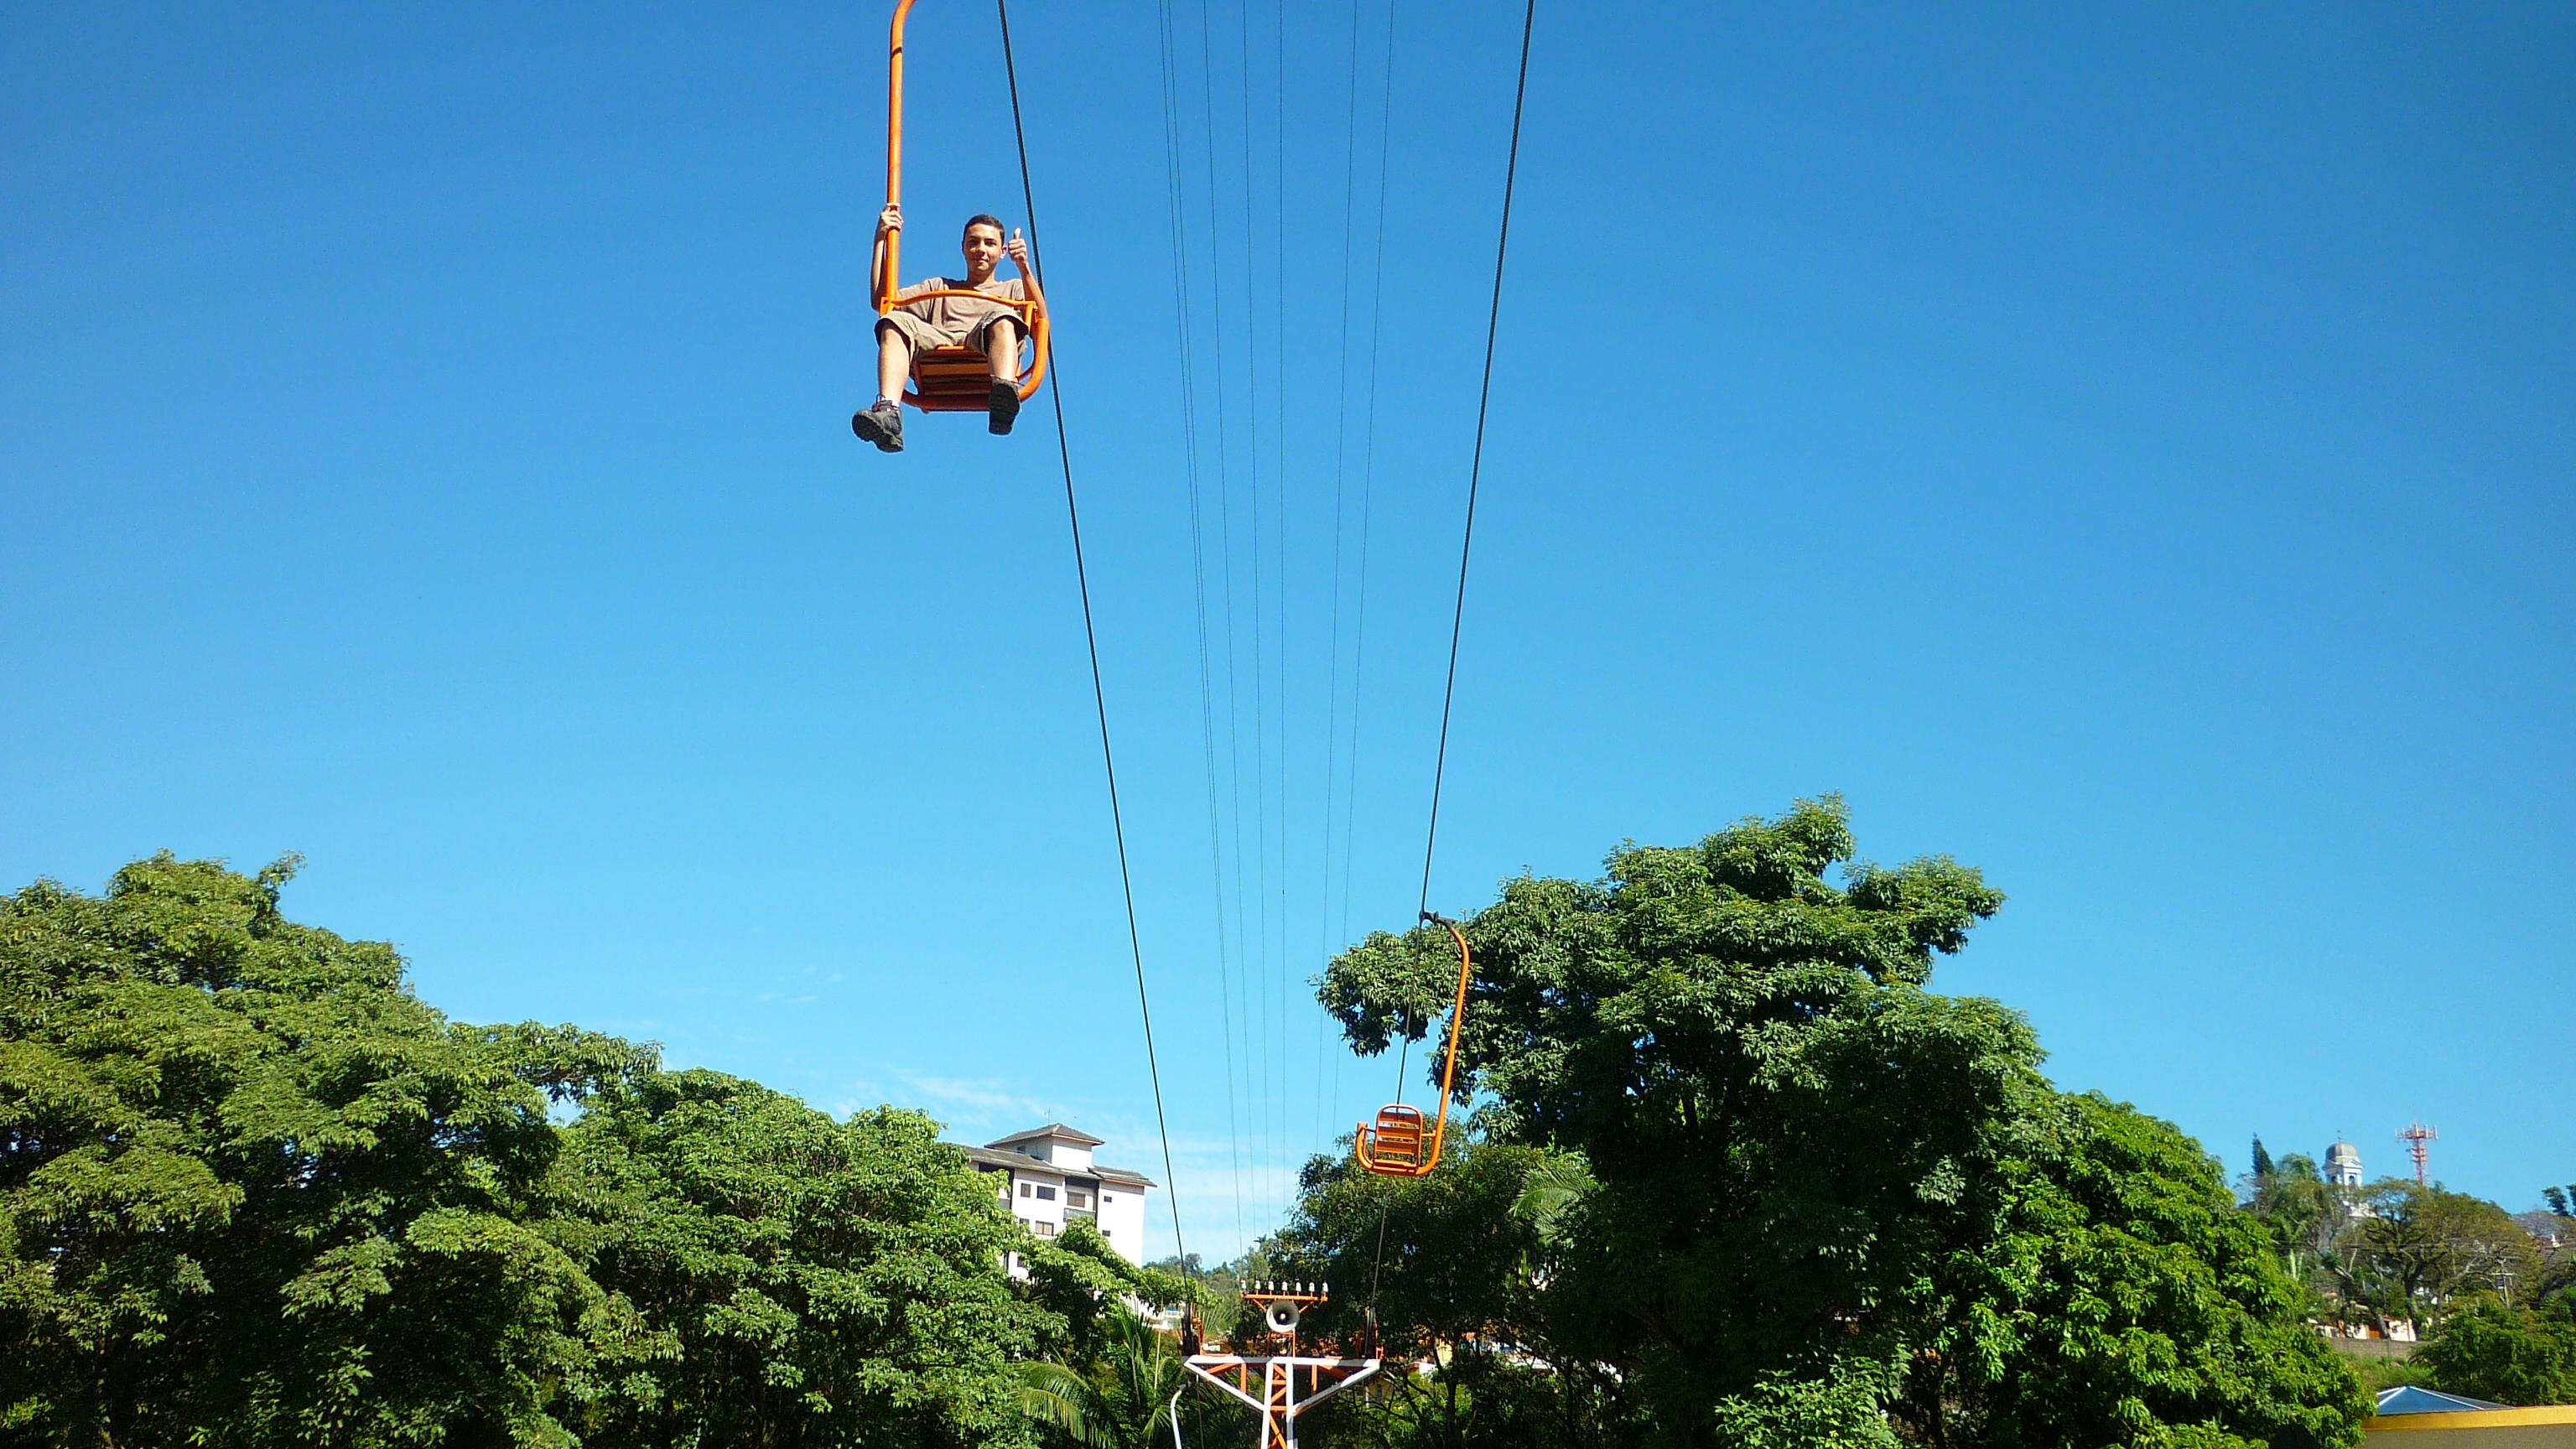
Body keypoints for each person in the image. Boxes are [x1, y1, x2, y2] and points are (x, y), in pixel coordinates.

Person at [851, 207, 1042, 452]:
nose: (981, 249)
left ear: (1002, 251)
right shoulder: (939, 287)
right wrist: (880, 239)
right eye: (973, 242)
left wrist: (1024, 268)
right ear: (963, 247)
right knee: (893, 321)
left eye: (990, 243)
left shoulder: (1013, 289)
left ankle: (1003, 394)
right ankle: (888, 413)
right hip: (941, 344)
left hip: (986, 344)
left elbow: (1040, 319)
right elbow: (882, 302)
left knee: (1003, 316)